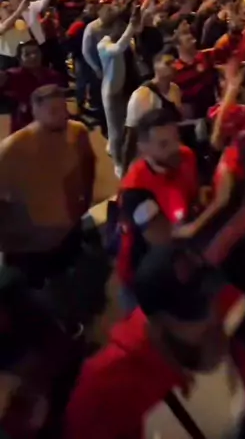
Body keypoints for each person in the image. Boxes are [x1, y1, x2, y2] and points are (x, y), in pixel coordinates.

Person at [64, 245, 245, 439]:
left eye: (210, 295)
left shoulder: (226, 311)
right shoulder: (105, 393)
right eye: (193, 311)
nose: (212, 316)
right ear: (155, 326)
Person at [0, 84, 95, 287]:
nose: (62, 116)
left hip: (67, 231)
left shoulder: (77, 133)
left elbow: (88, 164)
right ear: (35, 111)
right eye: (53, 111)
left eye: (64, 109)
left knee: (67, 281)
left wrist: (85, 200)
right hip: (29, 246)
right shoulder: (12, 150)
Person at [116, 108, 199, 313]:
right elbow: (163, 238)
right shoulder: (134, 190)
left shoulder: (186, 157)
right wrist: (219, 204)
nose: (175, 148)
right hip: (144, 274)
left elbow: (194, 197)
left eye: (176, 139)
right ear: (143, 148)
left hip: (180, 262)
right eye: (163, 144)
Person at [97, 7, 141, 174]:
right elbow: (118, 48)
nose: (123, 28)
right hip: (112, 92)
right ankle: (118, 164)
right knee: (115, 130)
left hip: (127, 87)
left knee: (126, 125)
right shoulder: (103, 44)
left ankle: (120, 150)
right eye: (121, 25)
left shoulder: (128, 41)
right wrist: (131, 27)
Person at [122, 51, 182, 173]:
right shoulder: (142, 95)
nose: (173, 66)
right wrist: (127, 168)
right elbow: (132, 135)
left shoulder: (175, 89)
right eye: (168, 63)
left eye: (174, 62)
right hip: (150, 157)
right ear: (155, 66)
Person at [0, 40, 63, 134]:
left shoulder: (53, 76)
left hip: (50, 130)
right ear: (20, 59)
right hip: (23, 131)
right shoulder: (12, 76)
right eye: (27, 54)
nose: (33, 56)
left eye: (36, 52)